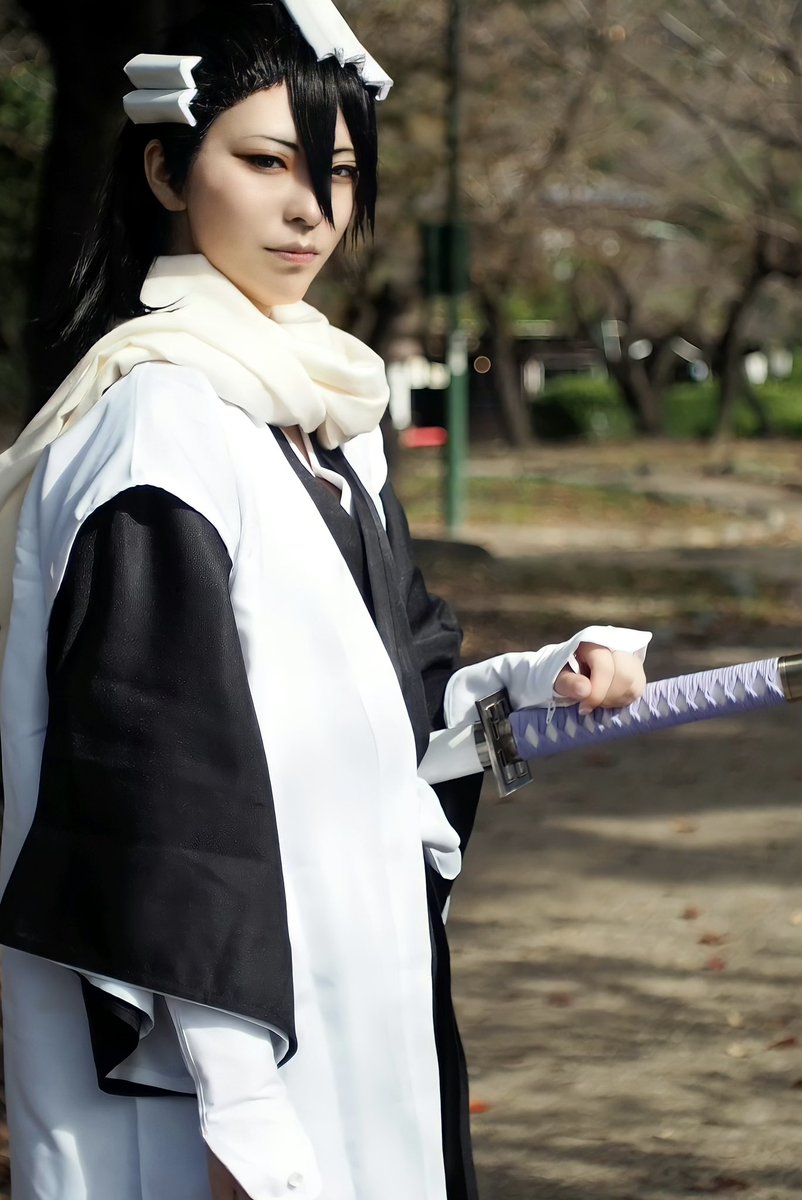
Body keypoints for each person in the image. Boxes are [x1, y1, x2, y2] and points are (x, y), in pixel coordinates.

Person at [0, 2, 650, 1197]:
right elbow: (158, 799)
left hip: (352, 979)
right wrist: (242, 1119)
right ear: (165, 170)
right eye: (267, 162)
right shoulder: (157, 426)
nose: (312, 209)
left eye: (339, 172)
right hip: (222, 1047)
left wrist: (535, 681)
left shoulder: (322, 416)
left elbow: (396, 697)